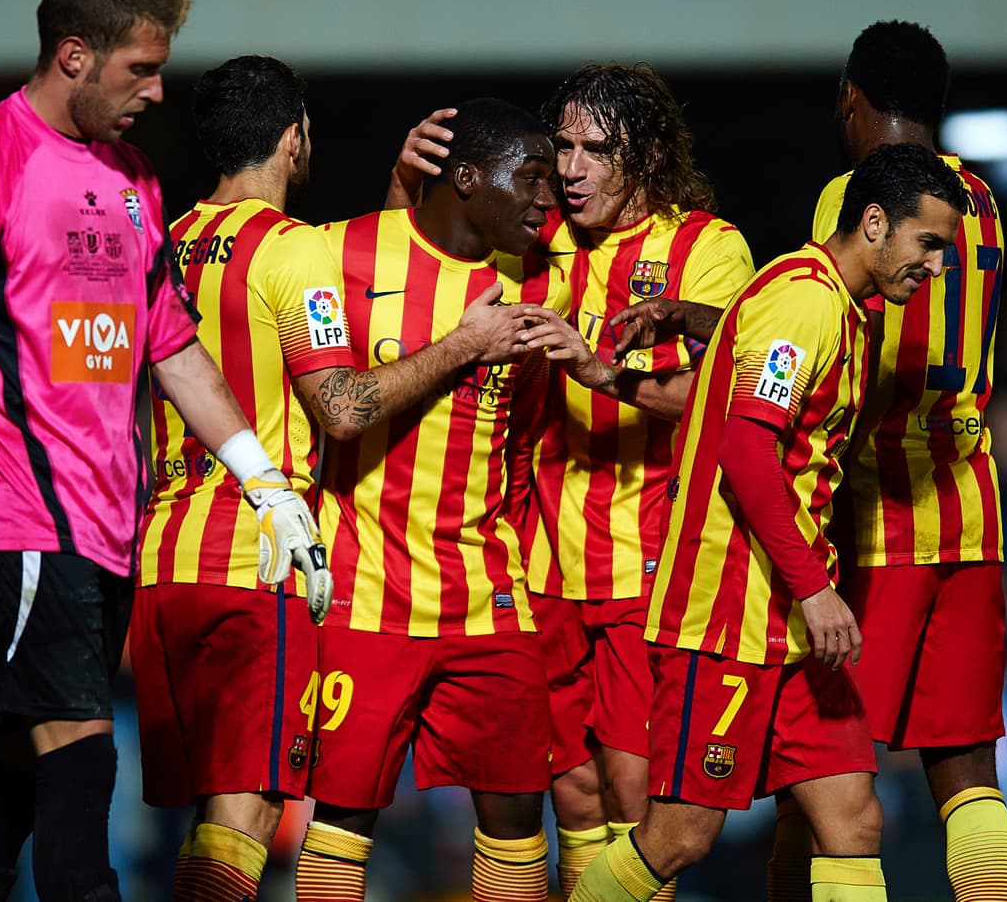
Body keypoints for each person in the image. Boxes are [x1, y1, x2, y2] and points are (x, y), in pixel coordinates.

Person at [0, 0, 325, 902]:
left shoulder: (136, 179)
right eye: (139, 68)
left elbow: (172, 348)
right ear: (72, 56)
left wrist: (265, 485)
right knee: (82, 762)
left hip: (109, 537)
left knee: (24, 771)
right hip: (16, 528)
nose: (156, 89)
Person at [131, 57, 537, 899]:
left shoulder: (164, 240)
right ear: (292, 138)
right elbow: (345, 405)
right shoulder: (295, 246)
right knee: (247, 812)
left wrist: (400, 194)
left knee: (213, 812)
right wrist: (464, 343)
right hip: (256, 554)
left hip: (164, 559)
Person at [565, 143, 969, 902]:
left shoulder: (842, 307)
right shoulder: (806, 302)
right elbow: (745, 450)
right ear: (875, 224)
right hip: (728, 619)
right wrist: (817, 589)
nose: (938, 267)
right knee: (680, 835)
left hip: (795, 626)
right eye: (930, 245)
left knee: (853, 821)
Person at [388, 64, 754, 896]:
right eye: (564, 147)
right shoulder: (535, 241)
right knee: (573, 789)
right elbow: (411, 273)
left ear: (650, 154)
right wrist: (408, 181)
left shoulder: (706, 246)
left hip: (652, 570)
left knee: (635, 789)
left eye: (597, 149)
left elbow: (729, 394)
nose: (574, 167)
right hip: (539, 569)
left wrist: (601, 372)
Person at [292, 98, 569, 902]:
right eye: (531, 178)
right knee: (342, 820)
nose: (546, 200)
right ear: (468, 178)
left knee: (521, 819)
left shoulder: (535, 282)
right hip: (364, 597)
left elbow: (519, 445)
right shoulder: (338, 253)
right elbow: (333, 409)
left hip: (487, 600)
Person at [795, 20, 1007, 902]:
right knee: (968, 775)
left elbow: (823, 332)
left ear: (852, 101)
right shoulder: (986, 203)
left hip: (877, 519)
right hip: (973, 509)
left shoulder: (855, 199)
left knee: (820, 779)